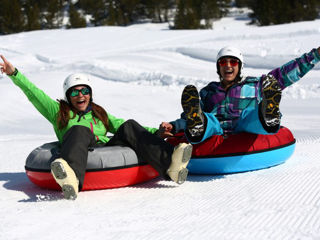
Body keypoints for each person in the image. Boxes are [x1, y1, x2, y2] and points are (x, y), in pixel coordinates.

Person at [0, 55, 193, 200]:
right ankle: (72, 180)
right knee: (78, 130)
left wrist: (157, 133)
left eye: (85, 91)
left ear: (90, 94)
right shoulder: (58, 112)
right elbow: (35, 94)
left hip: (104, 148)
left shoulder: (99, 113)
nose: (80, 95)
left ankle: (171, 166)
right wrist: (14, 74)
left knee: (129, 125)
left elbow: (123, 127)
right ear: (68, 96)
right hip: (77, 147)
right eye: (74, 92)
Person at [160, 46, 320, 144]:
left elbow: (285, 74)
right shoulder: (209, 91)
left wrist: (315, 55)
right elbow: (188, 116)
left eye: (233, 62)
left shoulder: (255, 84)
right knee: (209, 120)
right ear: (218, 67)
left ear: (240, 66)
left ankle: (268, 115)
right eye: (223, 62)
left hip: (245, 129)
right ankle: (198, 127)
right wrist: (174, 126)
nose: (228, 66)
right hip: (216, 132)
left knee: (250, 116)